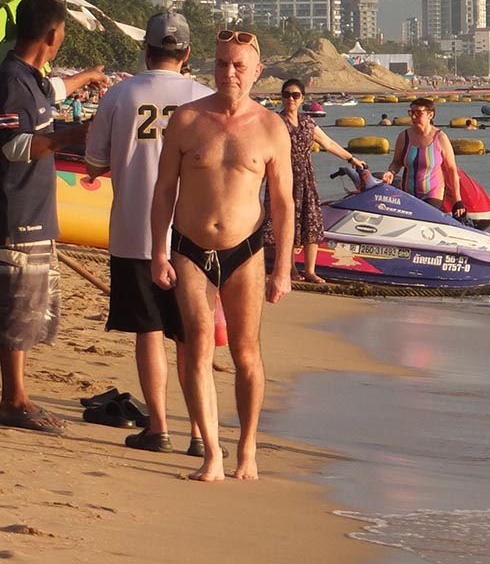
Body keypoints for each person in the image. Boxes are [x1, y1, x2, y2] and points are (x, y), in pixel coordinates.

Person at [151, 29, 294, 481]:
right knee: (196, 345)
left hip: (245, 251)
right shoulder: (187, 119)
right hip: (189, 247)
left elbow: (283, 203)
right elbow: (164, 189)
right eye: (221, 63)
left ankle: (247, 447)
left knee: (245, 352)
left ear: (257, 71)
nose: (228, 72)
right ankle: (212, 452)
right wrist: (158, 251)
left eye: (238, 65)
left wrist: (283, 268)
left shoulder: (271, 127)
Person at [85, 12, 210, 454]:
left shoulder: (120, 94)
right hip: (193, 235)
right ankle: (199, 432)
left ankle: (158, 427)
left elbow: (95, 163)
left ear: (146, 50)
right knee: (192, 335)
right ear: (187, 53)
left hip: (134, 229)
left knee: (150, 331)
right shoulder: (204, 98)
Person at [0, 0, 109, 434]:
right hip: (17, 215)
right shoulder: (11, 80)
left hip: (35, 214)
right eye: (62, 31)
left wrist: (91, 76)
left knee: (27, 311)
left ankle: (16, 394)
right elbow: (14, 146)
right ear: (52, 35)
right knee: (16, 311)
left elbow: (56, 91)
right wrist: (75, 134)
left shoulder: (33, 78)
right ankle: (14, 400)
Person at [262, 78, 366, 284]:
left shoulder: (308, 123)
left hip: (306, 179)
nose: (291, 99)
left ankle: (310, 271)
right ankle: (290, 268)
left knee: (311, 222)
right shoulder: (275, 122)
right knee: (285, 223)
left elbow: (328, 143)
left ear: (302, 98)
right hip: (282, 177)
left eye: (295, 95)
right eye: (286, 95)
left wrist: (351, 158)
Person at [381, 97, 466, 220]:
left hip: (433, 193)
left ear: (430, 115)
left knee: (425, 220)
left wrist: (458, 200)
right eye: (411, 112)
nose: (413, 116)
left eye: (418, 113)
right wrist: (391, 172)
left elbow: (451, 170)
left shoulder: (440, 138)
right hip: (408, 193)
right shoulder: (404, 137)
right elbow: (396, 162)